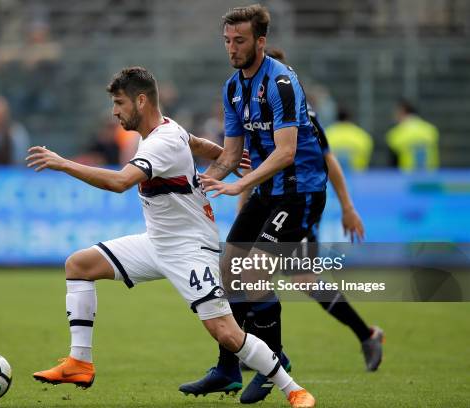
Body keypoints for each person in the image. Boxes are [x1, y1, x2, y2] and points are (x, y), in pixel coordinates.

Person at [26, 67, 316, 408]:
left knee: (226, 332)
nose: (114, 111)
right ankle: (79, 362)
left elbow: (121, 182)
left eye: (119, 103)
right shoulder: (168, 130)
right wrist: (226, 156)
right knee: (79, 265)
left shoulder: (160, 142)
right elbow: (194, 143)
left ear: (142, 100)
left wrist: (64, 164)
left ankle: (293, 389)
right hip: (157, 242)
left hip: (190, 249)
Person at [179, 5, 327, 404]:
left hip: (300, 191)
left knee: (254, 271)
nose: (232, 48)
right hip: (266, 191)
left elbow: (286, 152)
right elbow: (230, 155)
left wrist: (239, 183)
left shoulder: (280, 82)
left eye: (240, 41)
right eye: (227, 40)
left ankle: (273, 363)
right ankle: (227, 369)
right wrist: (205, 178)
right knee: (229, 271)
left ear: (260, 41)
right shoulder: (231, 87)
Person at [236, 47, 384, 384]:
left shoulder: (300, 111)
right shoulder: (248, 106)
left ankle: (267, 355)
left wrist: (347, 206)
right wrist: (244, 200)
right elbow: (251, 161)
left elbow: (327, 159)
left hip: (293, 204)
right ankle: (257, 352)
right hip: (266, 202)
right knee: (252, 273)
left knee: (279, 277)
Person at [386, 100, 439, 171]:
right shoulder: (430, 130)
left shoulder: (396, 133)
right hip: (430, 177)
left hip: (406, 178)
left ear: (402, 111)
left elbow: (393, 163)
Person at [324, 107, 373, 171]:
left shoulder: (326, 134)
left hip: (332, 175)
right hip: (358, 174)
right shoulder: (362, 135)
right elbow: (367, 152)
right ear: (349, 118)